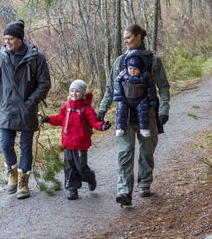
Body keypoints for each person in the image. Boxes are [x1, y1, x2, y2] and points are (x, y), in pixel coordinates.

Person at [97, 24, 170, 206]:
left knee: (146, 152)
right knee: (125, 152)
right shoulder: (120, 61)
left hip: (148, 115)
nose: (126, 40)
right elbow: (109, 89)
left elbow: (164, 87)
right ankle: (124, 191)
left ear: (139, 36)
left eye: (128, 37)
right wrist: (102, 109)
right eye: (125, 38)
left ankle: (144, 184)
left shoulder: (154, 61)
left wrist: (164, 110)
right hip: (125, 116)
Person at [0, 19, 51, 199]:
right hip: (7, 108)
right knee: (6, 145)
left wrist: (31, 101)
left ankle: (24, 181)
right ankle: (12, 173)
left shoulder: (36, 58)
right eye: (5, 38)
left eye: (10, 38)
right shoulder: (1, 57)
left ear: (20, 39)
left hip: (27, 109)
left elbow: (45, 84)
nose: (6, 42)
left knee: (26, 147)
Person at [40, 79, 111, 200]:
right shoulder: (66, 107)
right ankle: (72, 189)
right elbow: (59, 119)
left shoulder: (86, 109)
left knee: (81, 168)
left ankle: (90, 177)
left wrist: (102, 126)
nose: (74, 93)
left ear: (82, 94)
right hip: (67, 143)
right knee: (69, 167)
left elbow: (94, 122)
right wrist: (48, 119)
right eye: (72, 91)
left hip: (80, 144)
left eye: (77, 91)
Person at [114, 49, 157, 138]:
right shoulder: (123, 74)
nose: (132, 71)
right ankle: (120, 128)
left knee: (144, 111)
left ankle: (144, 128)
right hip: (126, 99)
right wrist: (118, 96)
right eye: (130, 68)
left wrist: (152, 100)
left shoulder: (146, 76)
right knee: (121, 110)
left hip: (140, 99)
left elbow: (151, 88)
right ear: (127, 67)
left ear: (140, 69)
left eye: (135, 69)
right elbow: (117, 82)